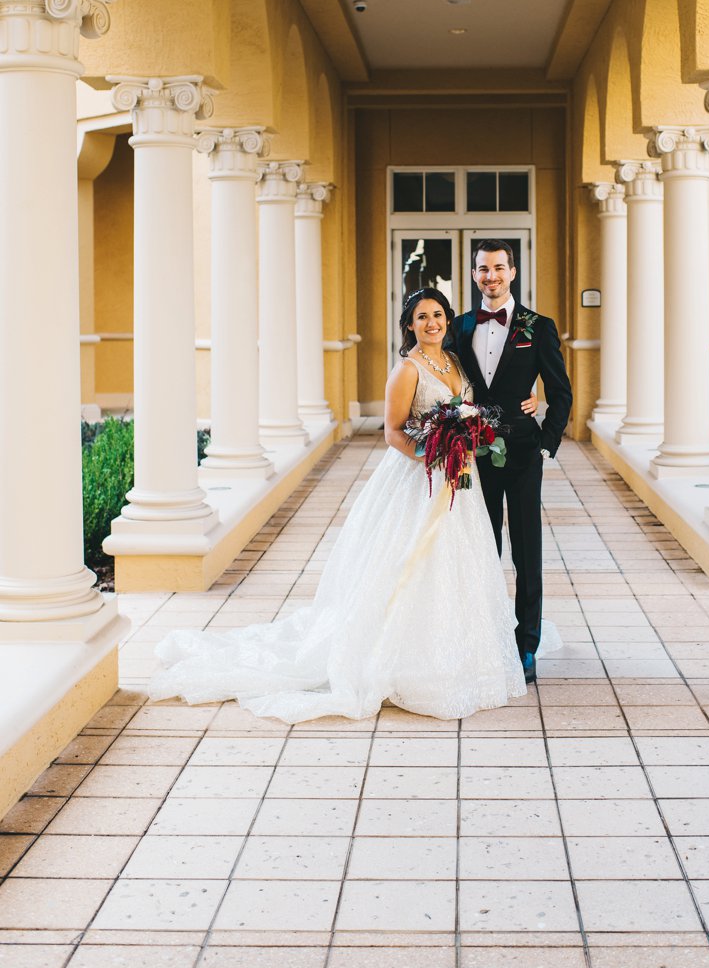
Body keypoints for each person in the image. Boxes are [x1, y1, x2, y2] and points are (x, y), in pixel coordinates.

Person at [148, 288, 539, 723]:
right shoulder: (407, 371)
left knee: (458, 563)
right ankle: (402, 659)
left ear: (448, 320)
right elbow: (393, 432)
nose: (432, 323)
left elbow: (477, 404)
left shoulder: (454, 362)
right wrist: (434, 457)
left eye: (438, 315)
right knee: (410, 563)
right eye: (422, 317)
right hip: (420, 479)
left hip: (460, 482)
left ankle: (463, 653)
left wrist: (509, 413)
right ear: (409, 324)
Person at [452, 240, 572, 683]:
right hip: (473, 456)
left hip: (523, 453)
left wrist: (546, 443)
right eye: (483, 269)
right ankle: (485, 637)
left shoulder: (537, 327)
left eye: (499, 268)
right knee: (482, 549)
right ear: (473, 274)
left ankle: (526, 645)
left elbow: (561, 391)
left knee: (526, 553)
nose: (491, 276)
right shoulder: (460, 327)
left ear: (513, 272)